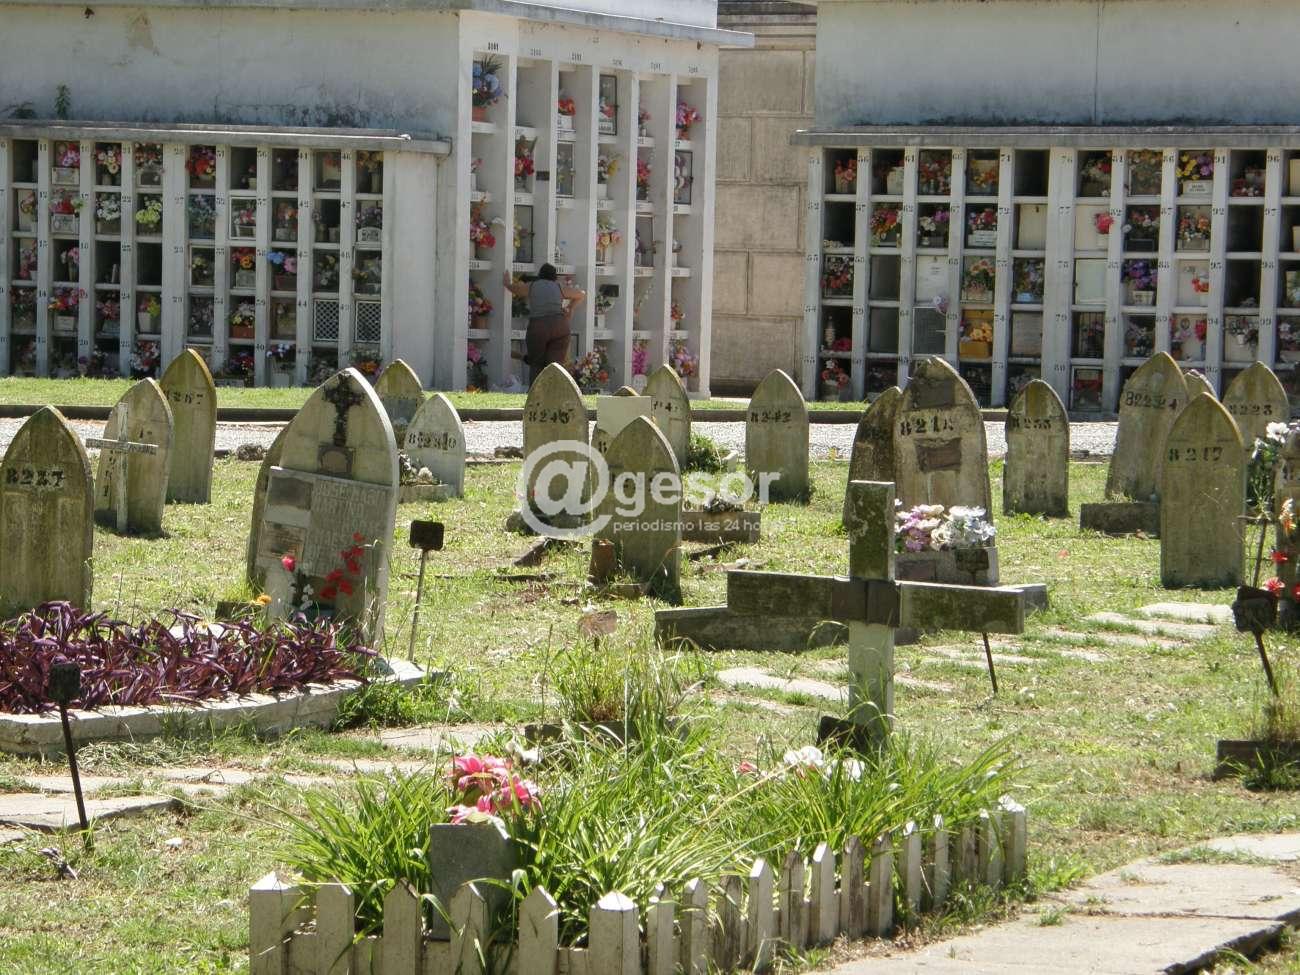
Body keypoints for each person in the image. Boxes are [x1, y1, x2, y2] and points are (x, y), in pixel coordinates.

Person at [505, 265, 585, 384]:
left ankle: (537, 393)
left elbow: (516, 289)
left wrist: (507, 284)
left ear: (540, 275)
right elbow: (581, 294)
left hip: (539, 327)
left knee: (536, 363)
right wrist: (570, 308)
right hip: (560, 327)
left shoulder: (533, 286)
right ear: (555, 277)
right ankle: (553, 392)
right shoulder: (558, 287)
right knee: (555, 366)